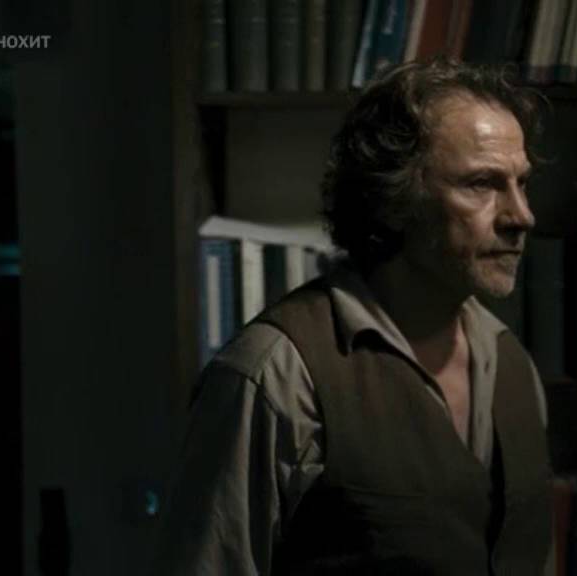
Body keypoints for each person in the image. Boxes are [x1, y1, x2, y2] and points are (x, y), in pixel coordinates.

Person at [154, 58, 553, 575]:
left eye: (522, 183)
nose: (522, 215)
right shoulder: (278, 375)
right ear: (393, 199)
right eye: (482, 184)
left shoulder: (512, 364)